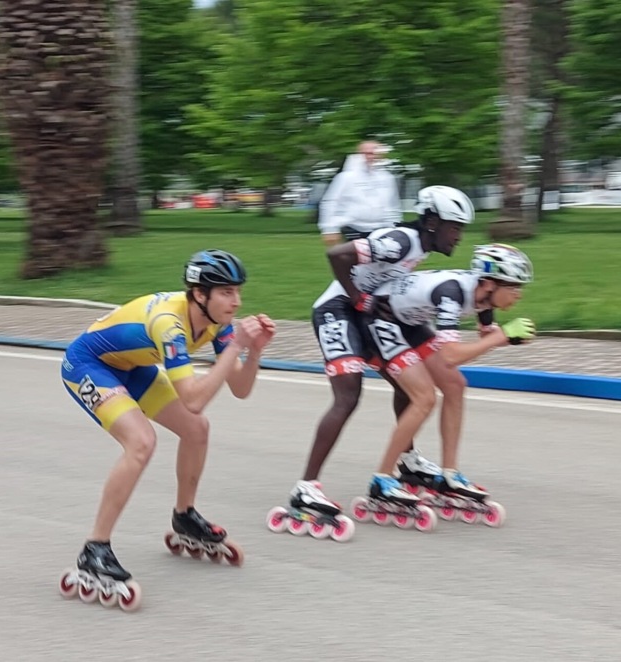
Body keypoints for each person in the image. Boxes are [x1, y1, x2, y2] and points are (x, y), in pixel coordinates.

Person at [59, 249, 276, 609]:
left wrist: (253, 352)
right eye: (226, 292)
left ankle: (185, 516)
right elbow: (193, 398)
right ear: (199, 294)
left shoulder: (216, 321)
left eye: (238, 291)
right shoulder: (169, 324)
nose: (236, 301)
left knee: (197, 429)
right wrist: (237, 345)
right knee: (141, 442)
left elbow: (240, 389)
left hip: (132, 366)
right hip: (89, 364)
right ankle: (94, 549)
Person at [286, 185, 478, 520]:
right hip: (338, 310)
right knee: (348, 396)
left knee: (409, 384)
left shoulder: (421, 246)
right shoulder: (401, 241)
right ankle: (306, 487)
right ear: (432, 223)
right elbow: (338, 255)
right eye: (454, 228)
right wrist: (359, 298)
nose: (458, 237)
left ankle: (407, 462)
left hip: (371, 314)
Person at [359, 244, 535, 514]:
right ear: (489, 284)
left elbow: (485, 339)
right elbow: (451, 356)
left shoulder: (483, 297)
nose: (518, 295)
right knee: (424, 398)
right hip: (379, 319)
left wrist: (505, 338)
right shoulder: (452, 293)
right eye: (513, 287)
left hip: (408, 320)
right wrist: (501, 337)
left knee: (455, 385)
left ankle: (449, 474)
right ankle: (381, 479)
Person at [318, 140, 402, 246]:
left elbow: (393, 205)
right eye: (367, 153)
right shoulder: (346, 177)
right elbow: (330, 202)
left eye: (375, 153)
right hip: (353, 229)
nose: (371, 157)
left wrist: (396, 228)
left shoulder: (387, 178)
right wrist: (329, 228)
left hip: (381, 230)